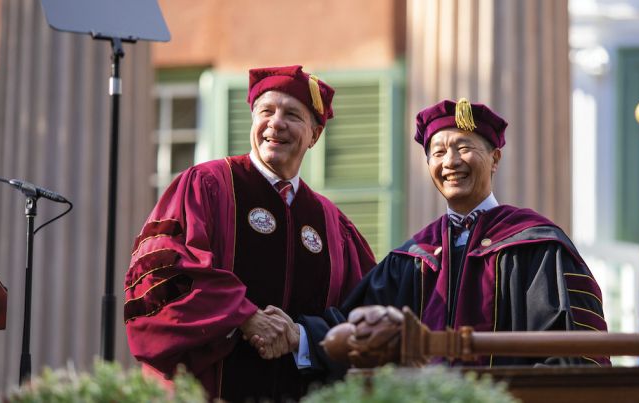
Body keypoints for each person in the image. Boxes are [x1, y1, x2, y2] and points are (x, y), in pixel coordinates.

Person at [294, 98, 610, 375]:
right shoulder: (412, 258)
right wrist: (298, 335)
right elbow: (355, 328)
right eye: (439, 152)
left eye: (464, 147)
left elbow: (575, 349)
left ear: (495, 159)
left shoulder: (537, 246)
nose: (451, 161)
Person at [123, 65, 376, 402]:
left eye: (293, 115)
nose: (276, 123)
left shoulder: (332, 224)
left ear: (314, 135)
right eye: (266, 111)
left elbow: (362, 315)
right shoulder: (207, 186)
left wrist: (300, 336)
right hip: (208, 391)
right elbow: (162, 275)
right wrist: (244, 316)